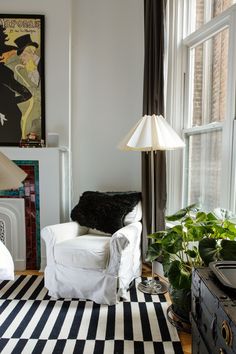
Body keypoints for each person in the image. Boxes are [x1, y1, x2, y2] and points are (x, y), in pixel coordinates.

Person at [0, 26, 32, 144]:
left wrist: (8, 103)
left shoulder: (4, 71)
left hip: (8, 118)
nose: (9, 56)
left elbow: (27, 94)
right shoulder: (4, 71)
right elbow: (26, 94)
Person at [14, 34, 42, 139]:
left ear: (31, 53)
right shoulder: (32, 66)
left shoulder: (40, 65)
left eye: (23, 55)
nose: (21, 59)